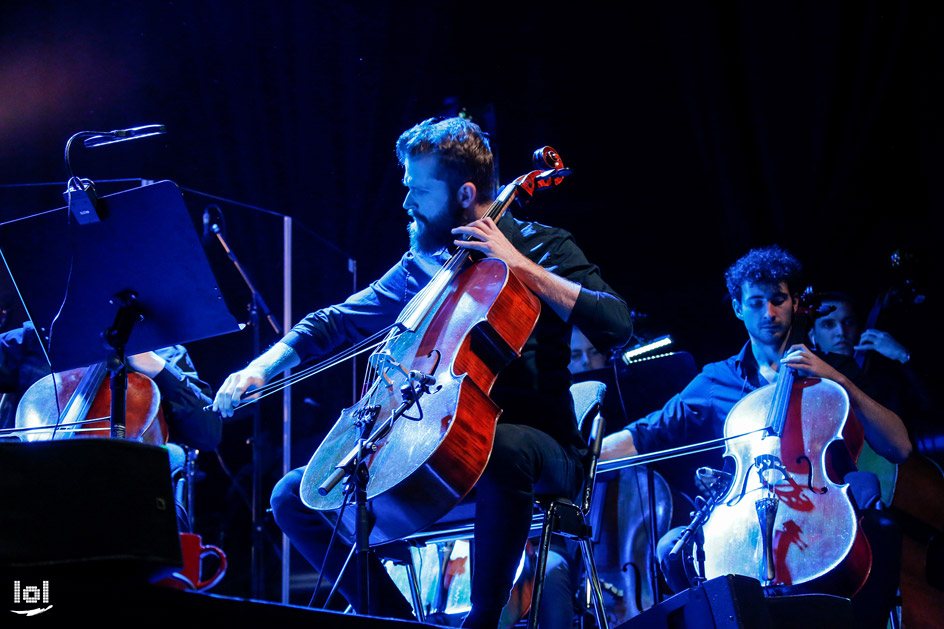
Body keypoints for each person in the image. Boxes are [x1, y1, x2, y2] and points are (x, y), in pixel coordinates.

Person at [212, 116, 633, 626]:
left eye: (418, 189)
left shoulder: (544, 246)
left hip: (541, 450)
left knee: (501, 448)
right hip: (435, 447)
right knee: (296, 496)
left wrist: (517, 264)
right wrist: (261, 368)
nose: (405, 202)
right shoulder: (422, 264)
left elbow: (616, 324)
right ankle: (396, 621)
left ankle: (483, 621)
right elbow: (331, 322)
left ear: (465, 193)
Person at [600, 245, 911, 628]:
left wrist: (840, 380)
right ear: (737, 308)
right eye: (757, 302)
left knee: (882, 530)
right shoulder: (716, 380)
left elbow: (899, 446)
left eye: (779, 300)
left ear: (796, 302)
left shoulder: (833, 370)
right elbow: (648, 433)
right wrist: (585, 456)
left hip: (824, 513)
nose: (769, 313)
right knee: (673, 549)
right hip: (745, 517)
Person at [0, 320, 222, 531]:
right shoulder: (41, 337)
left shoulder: (164, 351)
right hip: (24, 498)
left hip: (122, 506)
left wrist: (154, 366)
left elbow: (207, 434)